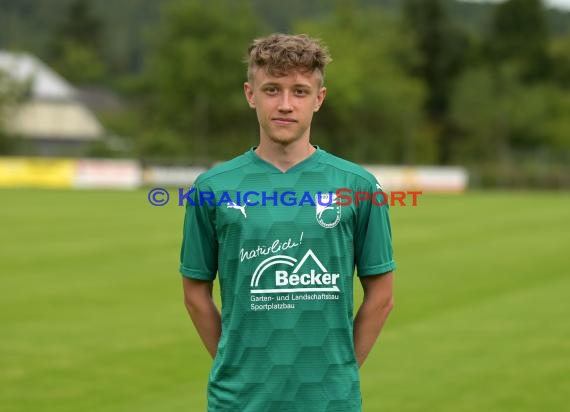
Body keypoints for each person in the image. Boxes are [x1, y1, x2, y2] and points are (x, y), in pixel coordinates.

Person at [180, 33, 395, 411]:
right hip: (239, 401)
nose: (284, 104)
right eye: (271, 89)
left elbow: (381, 296)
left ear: (319, 99)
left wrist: (341, 370)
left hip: (331, 401)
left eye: (299, 91)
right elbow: (195, 294)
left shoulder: (359, 186)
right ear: (250, 95)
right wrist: (235, 366)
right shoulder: (212, 187)